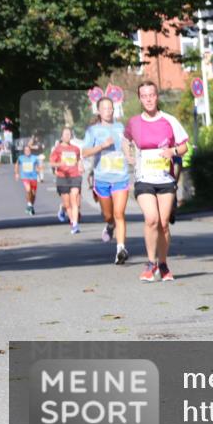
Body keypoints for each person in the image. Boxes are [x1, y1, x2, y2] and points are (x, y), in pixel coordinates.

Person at [123, 81, 189, 281]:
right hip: (144, 178)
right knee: (151, 218)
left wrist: (173, 151)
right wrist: (129, 156)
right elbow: (126, 140)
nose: (148, 99)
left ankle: (163, 263)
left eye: (151, 95)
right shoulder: (134, 122)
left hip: (165, 179)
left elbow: (185, 146)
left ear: (157, 96)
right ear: (140, 99)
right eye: (144, 96)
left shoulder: (169, 120)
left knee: (163, 224)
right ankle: (150, 264)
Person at [82, 98, 131, 264]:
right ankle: (110, 226)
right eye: (104, 108)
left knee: (119, 213)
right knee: (108, 215)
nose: (108, 111)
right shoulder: (93, 131)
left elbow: (125, 144)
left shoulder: (120, 128)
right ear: (99, 111)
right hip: (102, 178)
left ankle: (120, 249)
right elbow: (85, 152)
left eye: (110, 108)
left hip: (121, 177)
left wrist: (130, 155)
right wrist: (102, 146)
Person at [49, 127, 83, 234]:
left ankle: (75, 225)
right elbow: (52, 163)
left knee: (75, 200)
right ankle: (67, 215)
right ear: (62, 136)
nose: (68, 136)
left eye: (69, 134)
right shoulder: (57, 149)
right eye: (65, 134)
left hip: (75, 176)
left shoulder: (76, 149)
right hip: (62, 177)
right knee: (68, 203)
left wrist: (81, 166)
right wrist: (60, 164)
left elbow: (79, 160)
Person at [14, 143, 41, 215]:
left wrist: (38, 170)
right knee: (28, 190)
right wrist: (16, 173)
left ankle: (30, 206)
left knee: (33, 194)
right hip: (25, 177)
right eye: (26, 150)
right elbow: (16, 165)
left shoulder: (35, 158)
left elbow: (39, 166)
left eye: (28, 150)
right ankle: (29, 205)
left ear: (30, 151)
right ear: (24, 151)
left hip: (34, 177)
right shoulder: (21, 157)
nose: (27, 151)